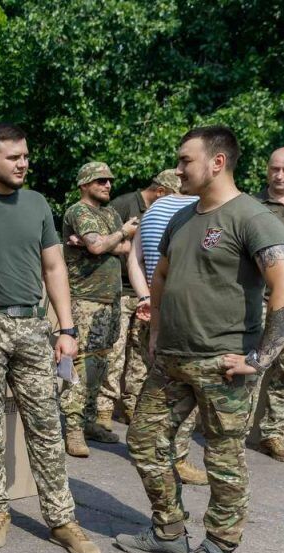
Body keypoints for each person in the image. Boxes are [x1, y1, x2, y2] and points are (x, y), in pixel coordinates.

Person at [116, 126, 284, 553]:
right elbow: (160, 275)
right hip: (172, 359)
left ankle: (219, 545)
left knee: (223, 460)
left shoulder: (253, 218)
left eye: (185, 160)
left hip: (224, 364)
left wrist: (259, 358)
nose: (179, 168)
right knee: (143, 443)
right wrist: (157, 331)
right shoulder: (182, 216)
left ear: (217, 162)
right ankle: (169, 531)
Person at [0, 123, 99, 553]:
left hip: (34, 326)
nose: (23, 163)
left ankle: (62, 520)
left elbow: (54, 268)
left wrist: (67, 330)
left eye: (26, 155)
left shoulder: (37, 204)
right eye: (13, 157)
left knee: (47, 424)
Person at [126, 189, 208, 486]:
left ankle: (152, 448)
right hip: (182, 319)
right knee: (184, 392)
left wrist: (145, 296)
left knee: (151, 388)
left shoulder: (153, 211)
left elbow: (134, 260)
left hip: (151, 309)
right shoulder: (199, 209)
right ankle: (176, 458)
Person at [59, 162, 139, 456]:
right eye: (100, 180)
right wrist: (113, 238)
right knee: (82, 364)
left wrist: (105, 241)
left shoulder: (110, 214)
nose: (107, 185)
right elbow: (97, 247)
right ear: (84, 184)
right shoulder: (79, 211)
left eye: (109, 180)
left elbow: (124, 249)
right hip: (85, 300)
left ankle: (89, 420)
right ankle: (73, 427)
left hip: (110, 300)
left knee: (102, 364)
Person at [98, 170, 181, 428]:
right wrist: (128, 238)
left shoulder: (166, 212)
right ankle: (104, 408)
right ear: (159, 192)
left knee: (141, 352)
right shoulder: (123, 204)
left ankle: (132, 405)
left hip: (149, 290)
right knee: (113, 351)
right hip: (121, 290)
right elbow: (101, 243)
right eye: (171, 198)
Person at [251, 147, 284, 463]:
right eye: (274, 169)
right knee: (250, 365)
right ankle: (235, 431)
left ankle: (272, 434)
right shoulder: (251, 205)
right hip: (257, 299)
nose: (279, 176)